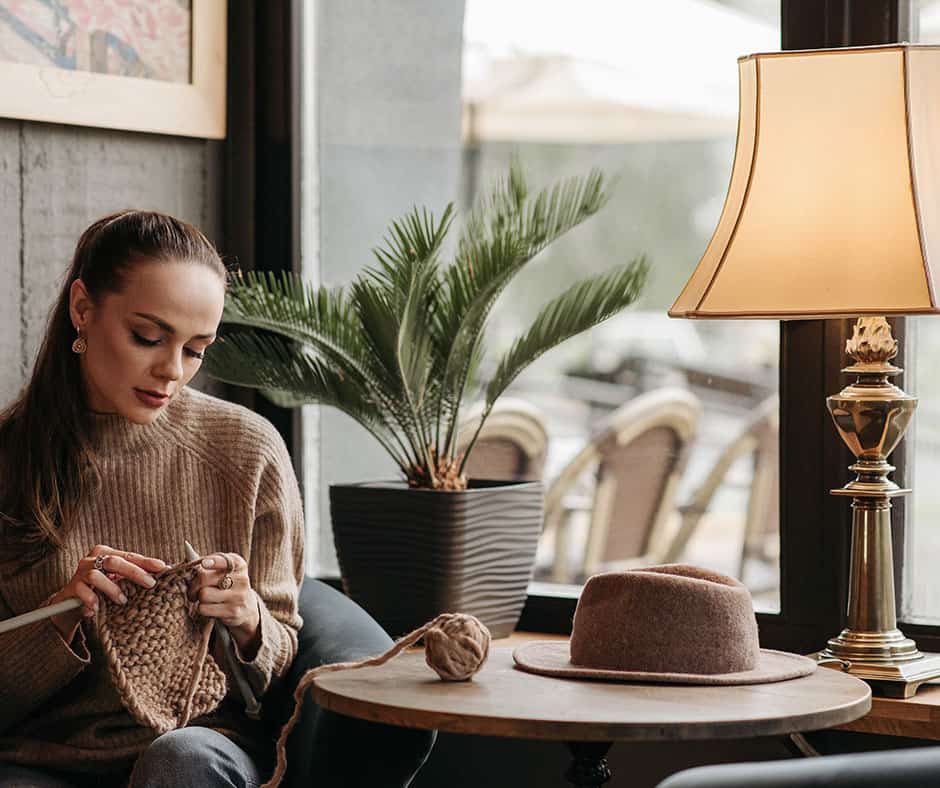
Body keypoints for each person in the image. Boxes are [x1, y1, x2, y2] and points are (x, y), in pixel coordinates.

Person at [0, 210, 305, 787]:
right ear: (83, 309)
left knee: (180, 761)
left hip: (201, 742)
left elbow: (284, 659)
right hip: (43, 754)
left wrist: (247, 620)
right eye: (148, 336)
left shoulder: (247, 450)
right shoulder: (10, 459)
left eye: (196, 349)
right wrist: (61, 619)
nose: (171, 371)